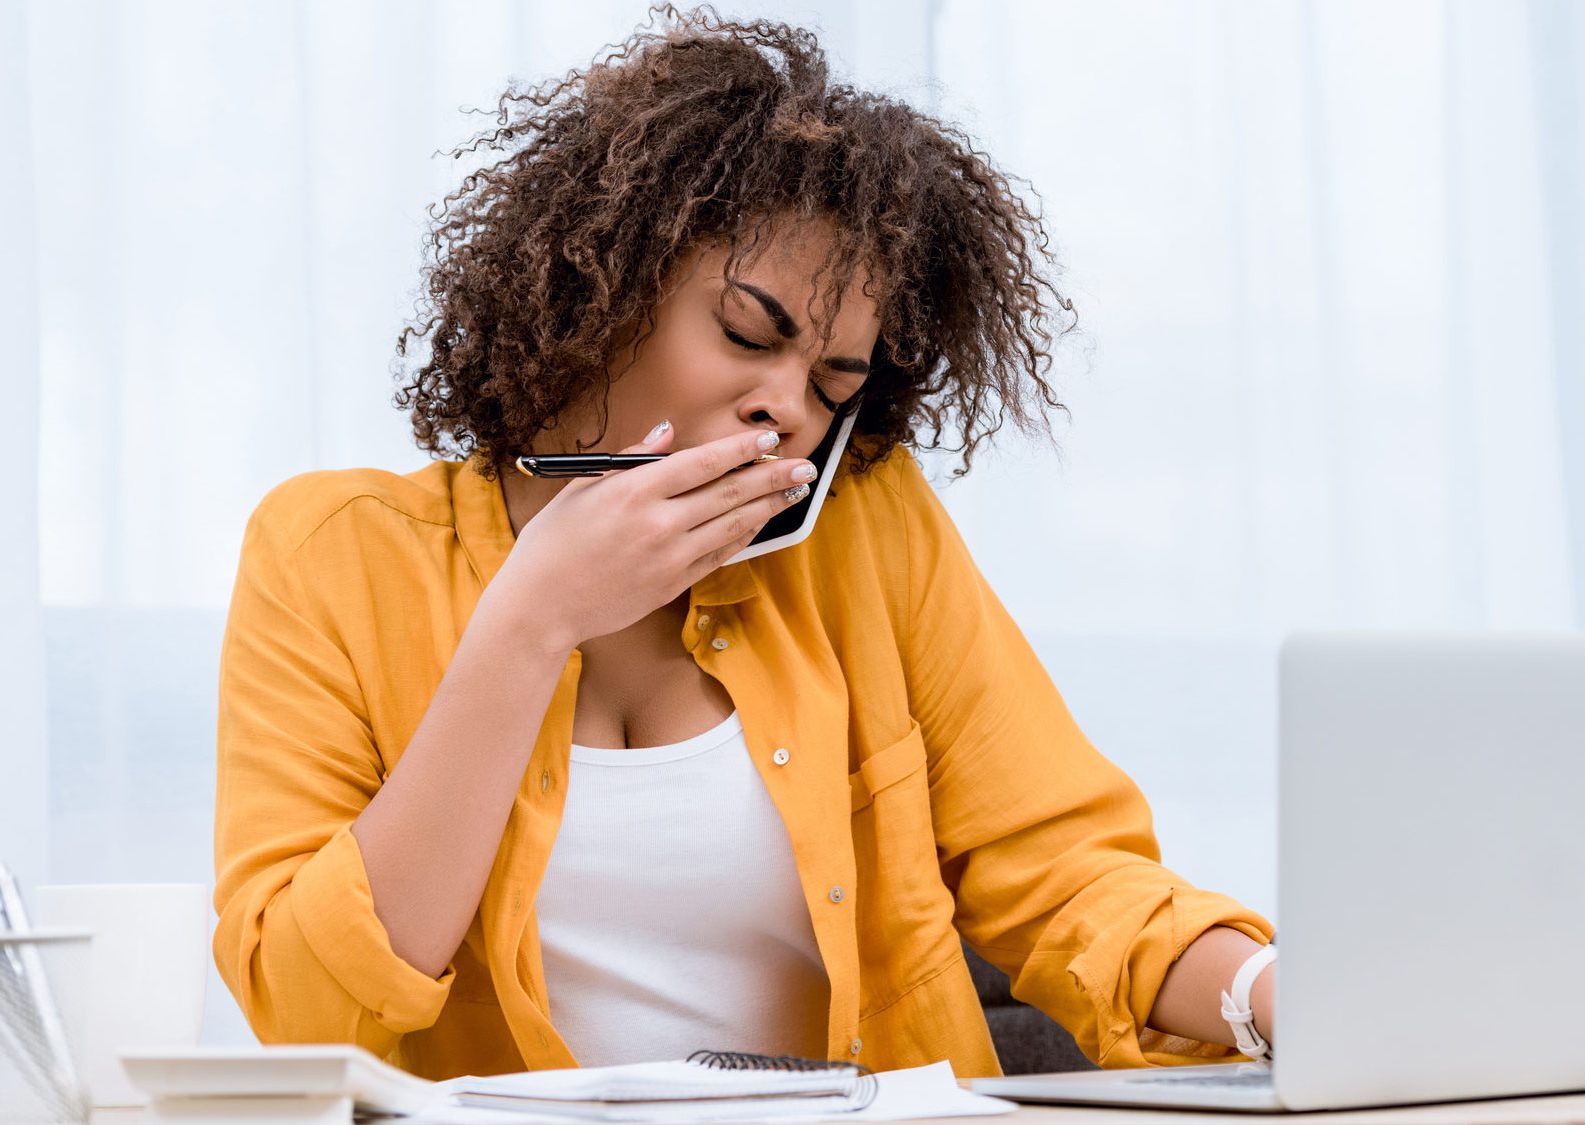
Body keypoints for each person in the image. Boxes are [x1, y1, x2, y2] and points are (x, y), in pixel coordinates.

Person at [212, 2, 1276, 1081]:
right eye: (745, 335)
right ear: (608, 290)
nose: (788, 411)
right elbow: (304, 1015)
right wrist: (531, 621)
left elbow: (1069, 876)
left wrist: (1265, 994)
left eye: (832, 385)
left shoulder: (868, 532)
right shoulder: (329, 553)